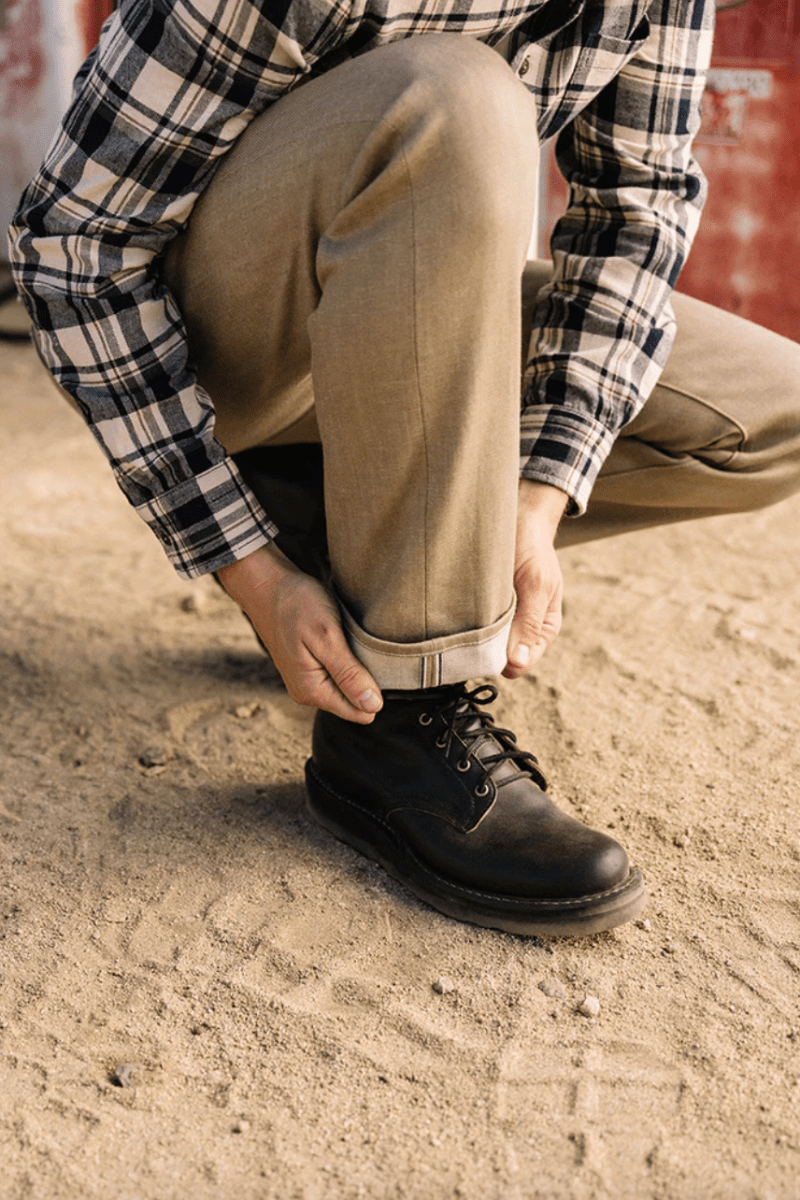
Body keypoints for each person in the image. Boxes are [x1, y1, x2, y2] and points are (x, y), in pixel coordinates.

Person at [8, 0, 800, 938]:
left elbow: (637, 214)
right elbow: (72, 249)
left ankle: (346, 548)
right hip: (234, 338)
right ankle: (399, 722)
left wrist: (535, 497)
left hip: (414, 309)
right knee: (459, 98)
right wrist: (249, 571)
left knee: (766, 409)